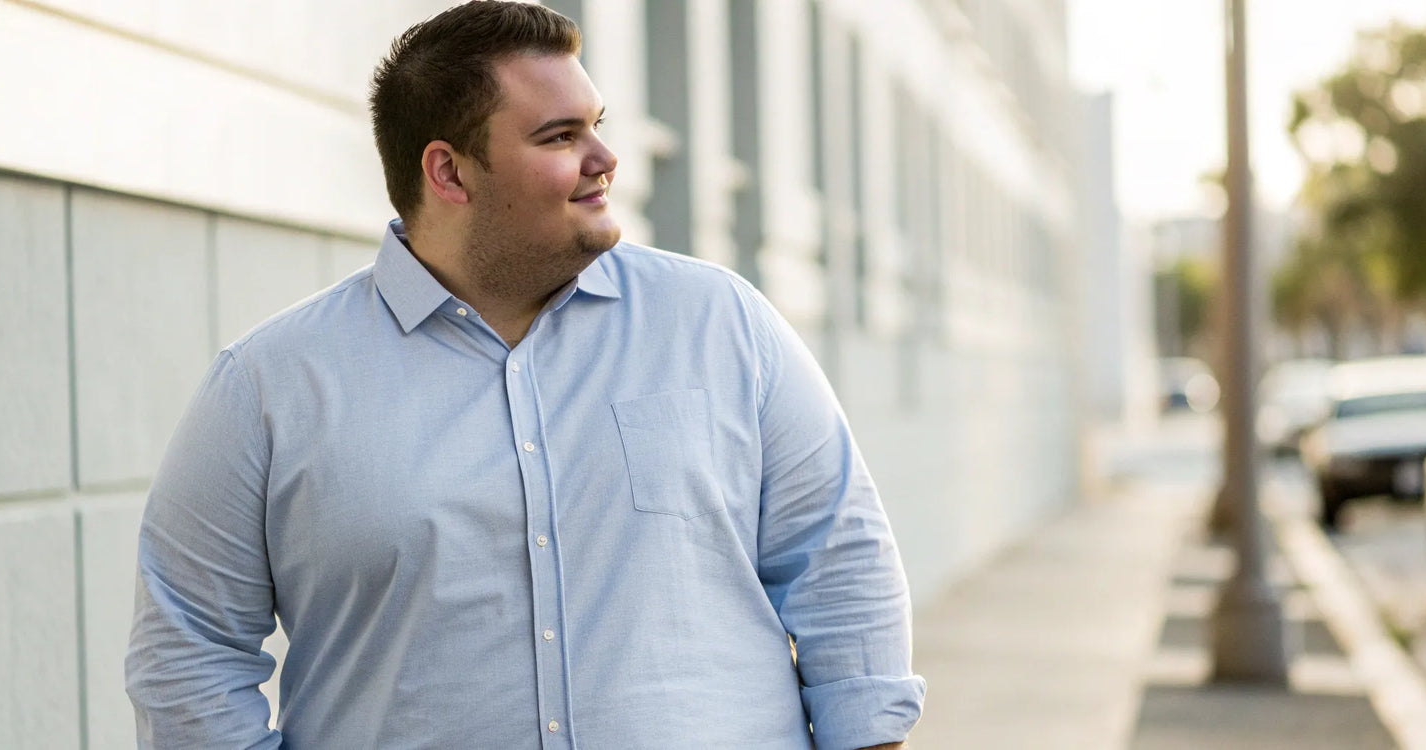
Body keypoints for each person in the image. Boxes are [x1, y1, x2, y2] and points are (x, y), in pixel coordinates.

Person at [125, 2, 924, 747]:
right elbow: (188, 646)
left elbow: (838, 556)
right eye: (559, 137)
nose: (606, 160)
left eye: (598, 126)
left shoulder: (722, 324)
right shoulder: (270, 387)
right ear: (450, 173)